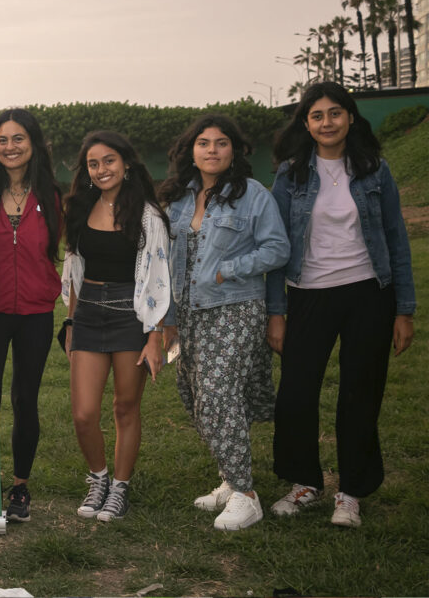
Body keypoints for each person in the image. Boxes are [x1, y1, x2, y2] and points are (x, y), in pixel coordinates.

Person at [266, 82, 416, 528]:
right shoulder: (289, 174)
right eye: (317, 115)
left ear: (350, 117)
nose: (326, 122)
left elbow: (396, 238)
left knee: (360, 392)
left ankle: (351, 491)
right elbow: (277, 247)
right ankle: (304, 483)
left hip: (370, 293)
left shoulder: (375, 170)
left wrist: (403, 309)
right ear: (306, 124)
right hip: (309, 293)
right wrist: (277, 311)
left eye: (335, 113)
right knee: (295, 393)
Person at [159, 114, 289, 531]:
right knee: (194, 395)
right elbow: (168, 263)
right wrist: (170, 319)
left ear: (234, 150)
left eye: (220, 142)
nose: (211, 149)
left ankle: (247, 495)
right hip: (190, 313)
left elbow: (278, 248)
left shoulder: (252, 194)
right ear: (190, 151)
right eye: (203, 142)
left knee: (216, 394)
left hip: (234, 306)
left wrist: (229, 268)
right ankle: (231, 480)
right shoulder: (179, 198)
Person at [62, 131, 170, 522]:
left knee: (125, 407)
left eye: (109, 160)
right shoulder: (80, 209)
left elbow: (159, 277)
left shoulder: (147, 215)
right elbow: (75, 271)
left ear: (126, 164)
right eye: (94, 163)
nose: (102, 169)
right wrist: (72, 321)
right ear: (87, 171)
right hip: (89, 315)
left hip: (132, 317)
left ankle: (119, 488)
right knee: (84, 414)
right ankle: (99, 478)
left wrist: (154, 336)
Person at [0, 108, 63, 523]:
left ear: (32, 143)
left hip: (36, 312)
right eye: (2, 139)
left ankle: (19, 488)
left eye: (18, 138)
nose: (10, 146)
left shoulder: (51, 195)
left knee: (24, 399)